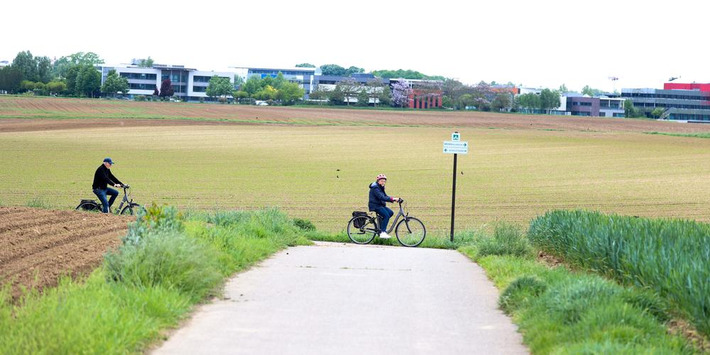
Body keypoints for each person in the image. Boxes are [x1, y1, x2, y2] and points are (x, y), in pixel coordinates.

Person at [368, 174, 400, 239]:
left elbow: (385, 196)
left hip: (379, 205)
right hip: (375, 205)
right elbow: (381, 197)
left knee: (390, 213)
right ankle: (383, 232)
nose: (383, 182)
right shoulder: (375, 188)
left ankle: (381, 227)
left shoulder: (380, 187)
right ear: (378, 181)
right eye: (382, 181)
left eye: (384, 181)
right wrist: (392, 199)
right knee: (386, 215)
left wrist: (393, 199)